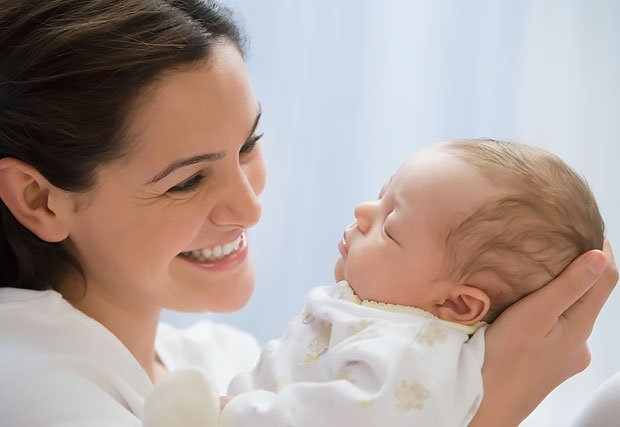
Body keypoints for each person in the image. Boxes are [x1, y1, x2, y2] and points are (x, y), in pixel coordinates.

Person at [0, 1, 616, 426]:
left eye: (248, 145)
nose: (249, 205)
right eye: (187, 181)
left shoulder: (228, 364)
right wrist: (490, 404)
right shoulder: (24, 377)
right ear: (39, 198)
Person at [144, 139, 605, 426]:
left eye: (391, 227)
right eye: (383, 196)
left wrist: (231, 414)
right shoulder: (378, 322)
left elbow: (339, 419)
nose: (364, 212)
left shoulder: (406, 353)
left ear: (460, 306)